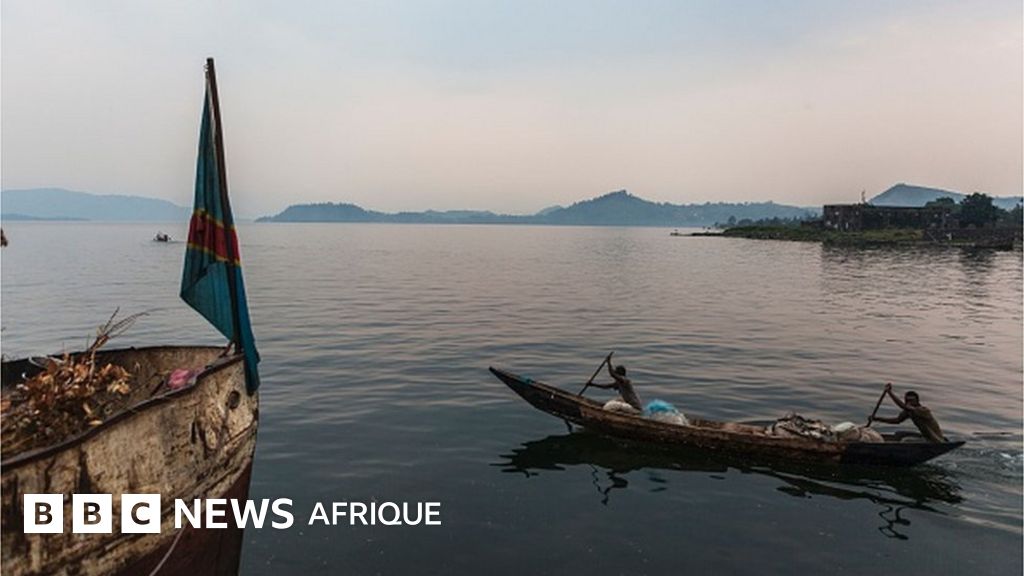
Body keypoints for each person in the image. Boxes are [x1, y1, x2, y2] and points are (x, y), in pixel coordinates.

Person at [869, 383, 946, 443]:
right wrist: (876, 419)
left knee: (905, 441)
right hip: (925, 437)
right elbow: (897, 420)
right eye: (907, 400)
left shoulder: (923, 410)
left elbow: (903, 406)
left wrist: (889, 392)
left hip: (935, 441)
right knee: (899, 434)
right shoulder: (909, 412)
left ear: (917, 401)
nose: (909, 403)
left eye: (911, 400)